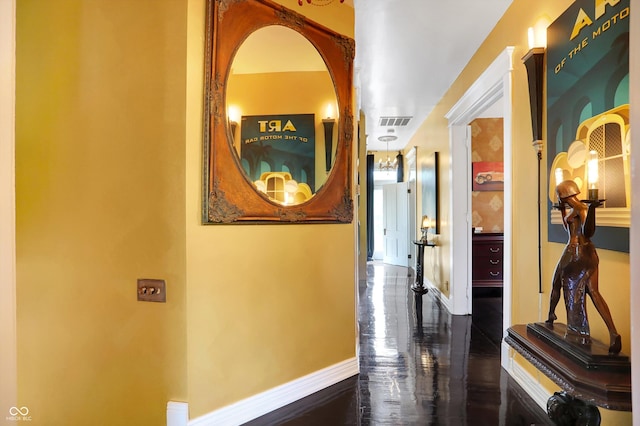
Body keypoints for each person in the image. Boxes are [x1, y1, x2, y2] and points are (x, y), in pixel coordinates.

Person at [545, 180, 621, 354]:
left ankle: (551, 314)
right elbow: (570, 229)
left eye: (559, 196)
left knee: (557, 280)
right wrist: (563, 211)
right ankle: (613, 332)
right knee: (593, 291)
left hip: (575, 252)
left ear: (563, 195)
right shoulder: (574, 210)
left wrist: (592, 209)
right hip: (587, 253)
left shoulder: (582, 209)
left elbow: (588, 232)